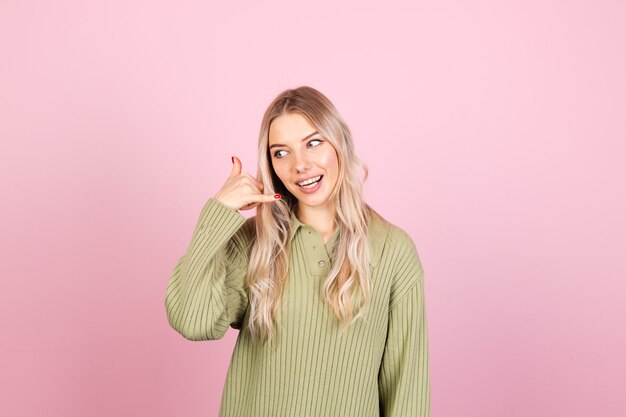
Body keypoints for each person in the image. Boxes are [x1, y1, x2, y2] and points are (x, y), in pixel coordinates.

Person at [165, 86, 430, 417]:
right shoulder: (253, 243)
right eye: (281, 152)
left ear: (340, 144)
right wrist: (218, 212)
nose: (300, 165)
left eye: (313, 143)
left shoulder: (393, 250)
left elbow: (406, 389)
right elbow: (193, 321)